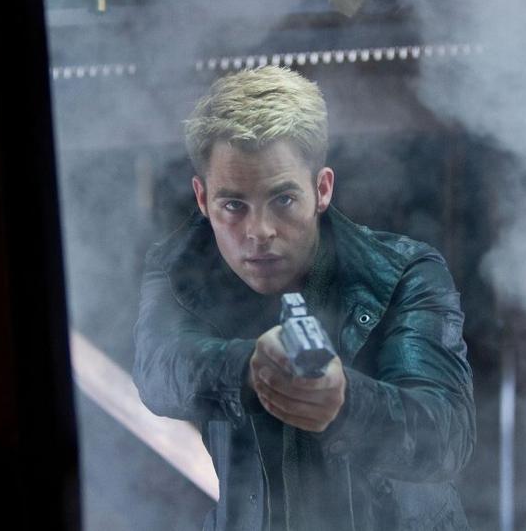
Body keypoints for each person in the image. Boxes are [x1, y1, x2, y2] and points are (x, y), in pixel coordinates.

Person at [133, 66, 475, 531]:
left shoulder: (404, 272)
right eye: (233, 205)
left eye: (283, 200)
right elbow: (157, 372)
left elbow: (445, 437)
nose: (259, 232)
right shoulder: (177, 268)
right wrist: (249, 368)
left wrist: (346, 403)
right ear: (202, 198)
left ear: (322, 189)